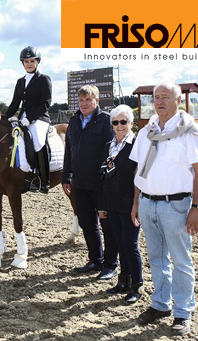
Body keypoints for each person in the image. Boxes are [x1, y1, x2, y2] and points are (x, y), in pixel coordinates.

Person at [130, 80, 198, 336]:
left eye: (166, 96)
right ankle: (161, 303)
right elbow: (139, 170)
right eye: (156, 97)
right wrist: (136, 202)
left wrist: (196, 207)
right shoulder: (146, 132)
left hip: (176, 205)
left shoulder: (189, 132)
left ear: (178, 101)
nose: (160, 101)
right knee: (156, 257)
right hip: (147, 203)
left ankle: (183, 312)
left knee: (180, 260)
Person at [62, 85, 118, 281]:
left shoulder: (106, 121)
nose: (84, 104)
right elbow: (69, 150)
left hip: (100, 183)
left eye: (88, 100)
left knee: (107, 225)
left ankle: (111, 264)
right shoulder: (74, 121)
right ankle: (96, 259)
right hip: (79, 182)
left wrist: (106, 179)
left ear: (96, 101)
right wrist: (66, 176)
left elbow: (111, 153)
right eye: (81, 100)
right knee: (87, 223)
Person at [97, 105, 143, 304]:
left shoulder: (136, 146)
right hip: (112, 202)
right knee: (119, 244)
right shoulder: (109, 145)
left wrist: (136, 205)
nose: (119, 125)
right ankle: (123, 280)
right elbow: (103, 177)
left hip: (129, 203)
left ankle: (136, 285)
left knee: (130, 245)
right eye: (115, 122)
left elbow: (138, 178)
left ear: (131, 124)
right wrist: (102, 205)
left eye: (124, 122)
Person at [4, 46, 52, 193]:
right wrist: (3, 120)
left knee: (37, 141)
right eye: (26, 61)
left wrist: (30, 119)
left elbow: (46, 103)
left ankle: (44, 181)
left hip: (39, 118)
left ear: (37, 62)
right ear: (23, 63)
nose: (29, 64)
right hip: (22, 118)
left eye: (32, 61)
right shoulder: (20, 81)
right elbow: (14, 104)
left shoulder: (43, 79)